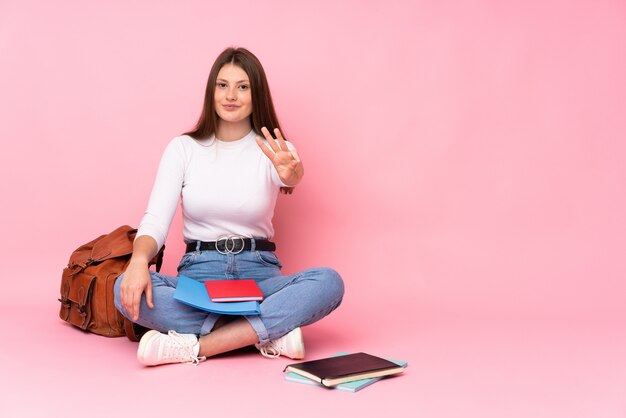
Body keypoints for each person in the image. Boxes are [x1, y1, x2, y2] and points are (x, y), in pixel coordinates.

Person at [113, 47, 345, 367]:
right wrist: (139, 260)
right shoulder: (184, 148)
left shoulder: (276, 151)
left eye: (243, 86)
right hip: (199, 276)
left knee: (329, 282)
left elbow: (291, 175)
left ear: (256, 93)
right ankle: (265, 332)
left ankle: (197, 347)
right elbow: (155, 220)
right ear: (211, 91)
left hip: (260, 275)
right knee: (122, 287)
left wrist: (294, 173)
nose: (231, 95)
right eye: (222, 85)